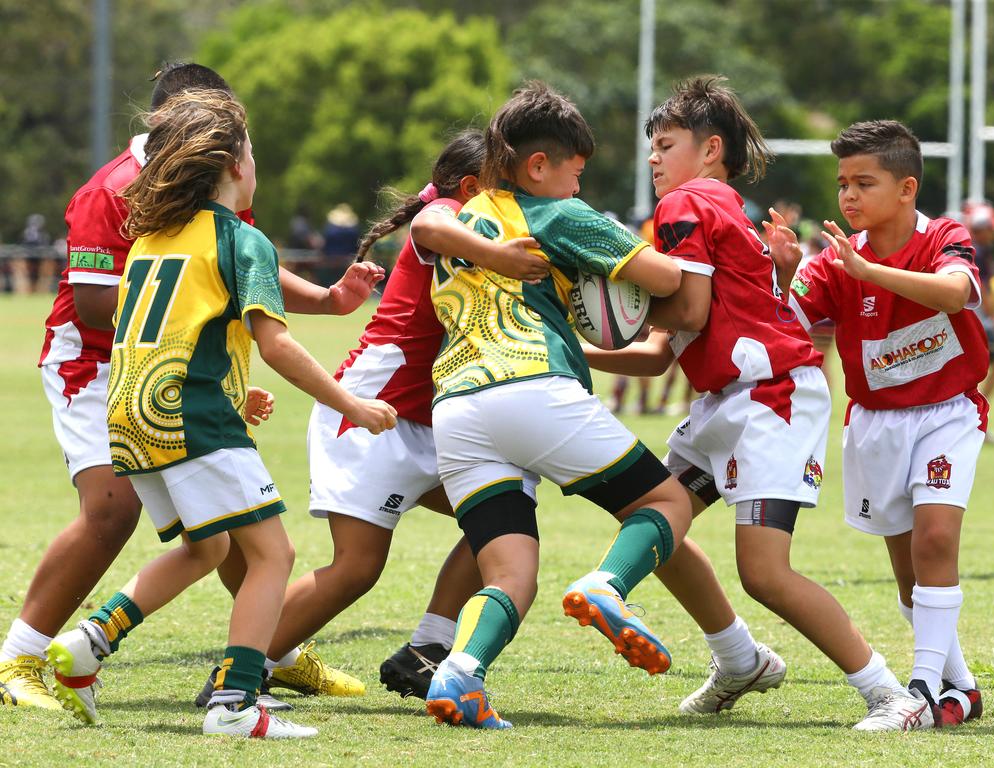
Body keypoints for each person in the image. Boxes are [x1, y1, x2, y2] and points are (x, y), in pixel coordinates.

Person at [0, 63, 368, 715]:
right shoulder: (113, 188)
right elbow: (91, 303)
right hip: (101, 363)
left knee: (218, 535)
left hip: (168, 374)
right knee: (131, 514)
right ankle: (21, 657)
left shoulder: (193, 192)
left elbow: (232, 266)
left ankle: (262, 651)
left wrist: (327, 301)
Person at [587, 77, 930, 731]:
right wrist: (578, 354)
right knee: (656, 520)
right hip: (728, 398)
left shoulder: (688, 203)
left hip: (769, 398)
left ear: (710, 149)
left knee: (765, 573)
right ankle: (737, 658)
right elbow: (665, 350)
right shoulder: (724, 208)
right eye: (650, 147)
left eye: (666, 144)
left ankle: (891, 694)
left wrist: (615, 289)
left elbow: (682, 309)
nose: (653, 158)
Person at [193, 129, 551, 708]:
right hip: (369, 416)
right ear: (471, 186)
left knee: (505, 516)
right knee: (357, 567)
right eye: (506, 186)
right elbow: (434, 221)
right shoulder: (451, 213)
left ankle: (426, 651)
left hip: (424, 423)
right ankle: (237, 675)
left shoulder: (484, 224)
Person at [409, 81, 705, 730]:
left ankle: (459, 674)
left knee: (511, 572)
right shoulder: (558, 215)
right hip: (530, 388)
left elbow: (424, 225)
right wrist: (611, 261)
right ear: (539, 166)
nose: (578, 187)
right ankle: (607, 586)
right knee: (667, 502)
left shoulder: (468, 218)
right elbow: (665, 279)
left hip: (456, 409)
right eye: (576, 173)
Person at [776, 120, 988, 727]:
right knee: (908, 574)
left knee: (936, 542)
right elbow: (785, 320)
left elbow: (954, 293)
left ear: (906, 188)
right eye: (842, 183)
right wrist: (785, 271)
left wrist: (868, 274)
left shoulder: (944, 236)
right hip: (876, 422)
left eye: (863, 183)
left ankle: (918, 692)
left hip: (949, 412)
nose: (847, 196)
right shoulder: (835, 258)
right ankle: (961, 686)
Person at [965, 203, 994, 437]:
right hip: (979, 321)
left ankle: (973, 417)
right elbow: (982, 290)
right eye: (991, 228)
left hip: (978, 320)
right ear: (981, 229)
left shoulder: (979, 250)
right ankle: (973, 419)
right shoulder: (977, 252)